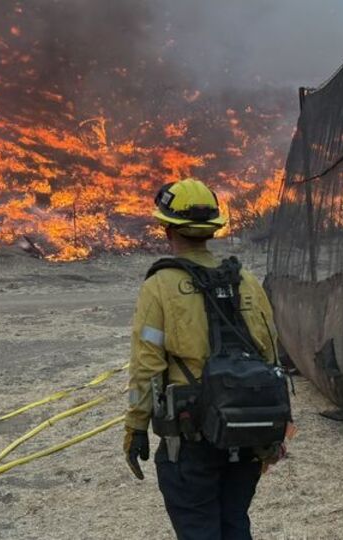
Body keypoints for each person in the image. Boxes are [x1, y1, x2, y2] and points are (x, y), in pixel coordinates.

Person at [123, 178, 283, 540]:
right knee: (235, 524)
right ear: (211, 230)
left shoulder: (159, 286)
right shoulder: (246, 280)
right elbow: (271, 351)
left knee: (199, 529)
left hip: (190, 439)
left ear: (168, 228)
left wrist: (135, 427)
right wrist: (275, 431)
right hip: (247, 433)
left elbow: (147, 368)